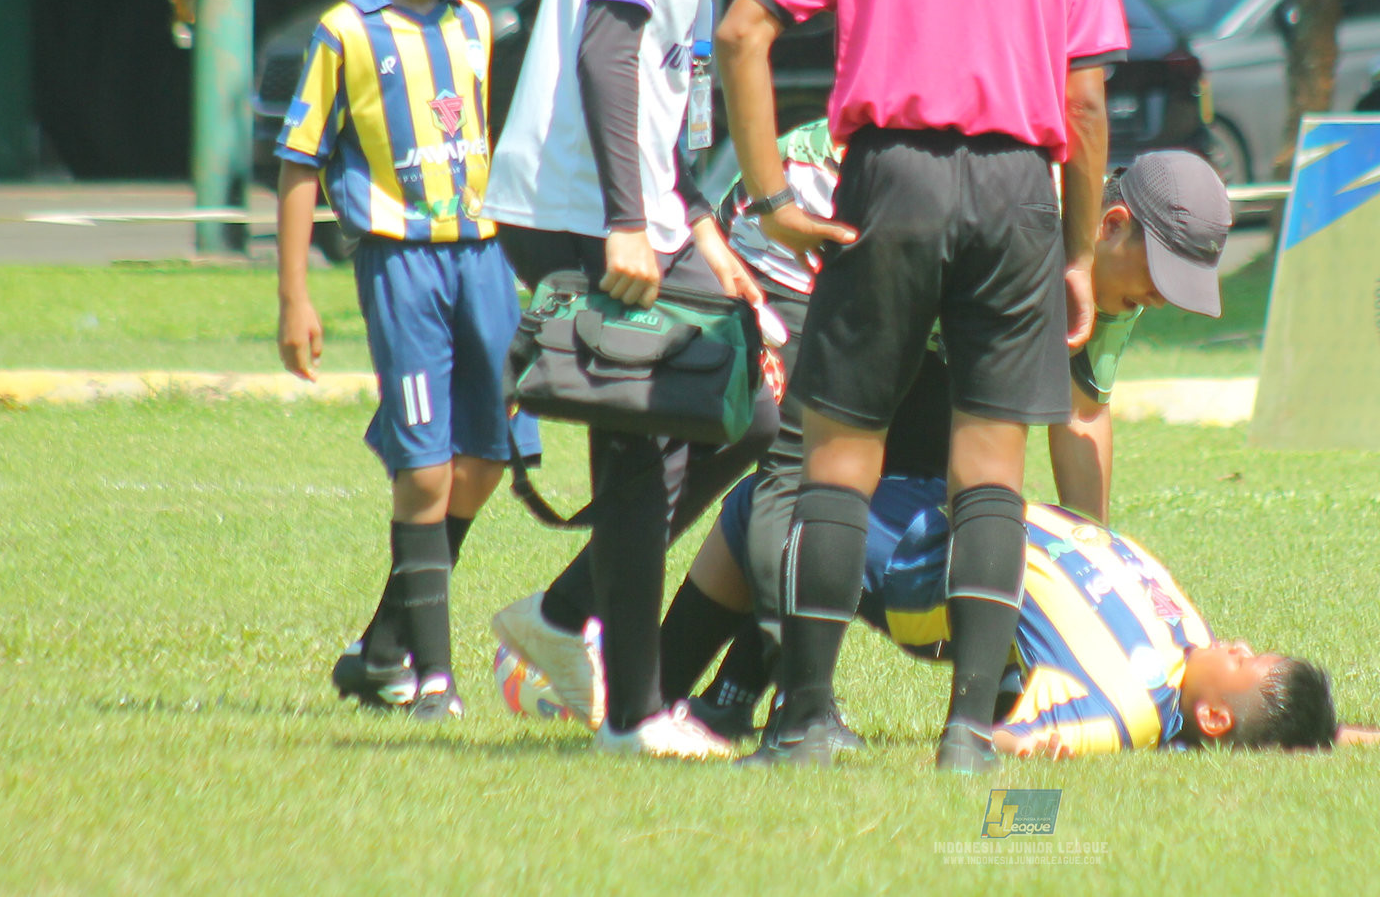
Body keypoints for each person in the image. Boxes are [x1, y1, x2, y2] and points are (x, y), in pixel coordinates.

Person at [715, 0, 1129, 770]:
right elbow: (1084, 102)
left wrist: (766, 197)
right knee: (989, 463)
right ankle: (968, 732)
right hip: (1013, 193)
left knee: (838, 455)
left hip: (885, 180)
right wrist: (1081, 250)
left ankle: (803, 717)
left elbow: (741, 34)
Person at [491, 134, 1237, 743]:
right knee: (805, 472)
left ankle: (695, 689)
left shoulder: (1103, 276)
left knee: (893, 491)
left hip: (914, 281)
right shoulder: (1031, 218)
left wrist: (1087, 557)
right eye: (1156, 275)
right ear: (1108, 226)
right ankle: (729, 698)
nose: (1153, 300)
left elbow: (1081, 416)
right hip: (802, 244)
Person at [479, 0, 872, 759]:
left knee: (741, 411)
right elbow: (607, 48)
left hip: (648, 204)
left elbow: (661, 76)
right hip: (583, 204)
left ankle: (564, 616)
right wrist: (623, 218)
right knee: (634, 439)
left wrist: (694, 217)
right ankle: (631, 716)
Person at [274, 0, 532, 721]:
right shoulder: (344, 32)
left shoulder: (474, 25)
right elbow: (300, 162)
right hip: (401, 267)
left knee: (489, 457)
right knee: (423, 473)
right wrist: (296, 297)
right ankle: (433, 677)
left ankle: (383, 649)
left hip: (482, 258)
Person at [678, 469, 1338, 756]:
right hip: (966, 507)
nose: (1241, 643)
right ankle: (720, 697)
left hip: (932, 564)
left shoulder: (1124, 706)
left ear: (1215, 716)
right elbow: (1298, 732)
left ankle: (666, 687)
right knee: (812, 475)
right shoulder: (1192, 645)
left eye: (1247, 663)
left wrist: (1020, 742)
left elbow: (1025, 743)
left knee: (776, 500)